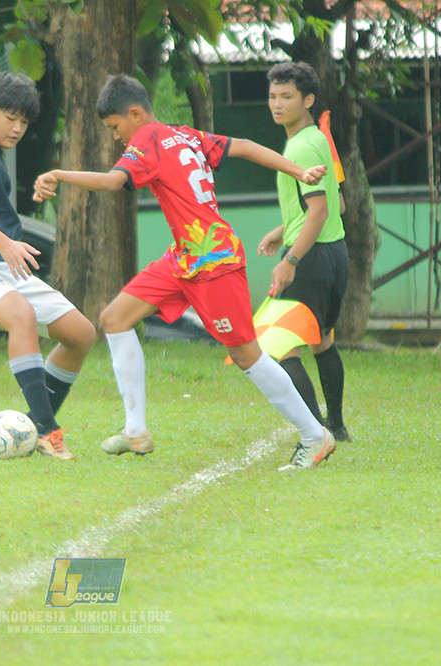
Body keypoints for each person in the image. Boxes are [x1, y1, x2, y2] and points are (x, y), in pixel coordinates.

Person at [33, 73, 335, 470]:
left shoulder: (148, 139)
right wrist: (298, 171)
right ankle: (136, 430)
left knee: (246, 354)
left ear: (135, 113)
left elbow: (111, 182)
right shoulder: (185, 135)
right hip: (185, 257)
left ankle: (315, 436)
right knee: (115, 318)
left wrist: (58, 174)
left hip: (213, 259)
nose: (116, 137)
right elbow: (244, 147)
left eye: (114, 127)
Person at [0, 72, 96, 461]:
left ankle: (33, 426)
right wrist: (6, 244)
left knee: (81, 334)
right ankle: (47, 430)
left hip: (0, 269)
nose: (18, 128)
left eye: (24, 121)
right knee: (21, 315)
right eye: (10, 118)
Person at [257, 62, 352, 443]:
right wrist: (283, 230)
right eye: (272, 96)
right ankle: (336, 427)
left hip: (310, 259)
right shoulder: (317, 139)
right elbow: (337, 203)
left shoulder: (301, 146)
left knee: (281, 347)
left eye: (287, 96)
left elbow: (320, 211)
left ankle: (316, 432)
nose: (277, 104)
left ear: (308, 100)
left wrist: (290, 259)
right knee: (321, 340)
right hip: (334, 253)